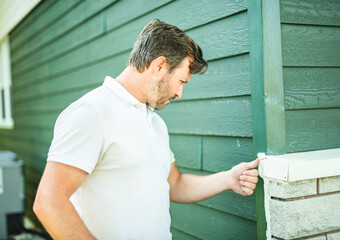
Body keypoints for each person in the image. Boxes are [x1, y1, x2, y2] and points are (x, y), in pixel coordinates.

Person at [33, 19, 260, 240]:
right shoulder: (92, 112)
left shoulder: (156, 122)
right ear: (159, 65)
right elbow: (49, 202)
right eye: (181, 81)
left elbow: (175, 185)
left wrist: (229, 179)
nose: (180, 94)